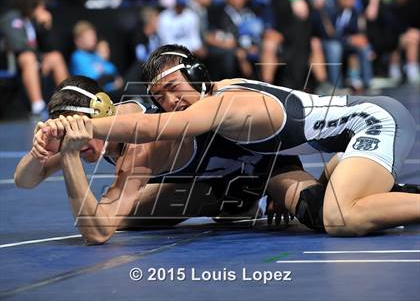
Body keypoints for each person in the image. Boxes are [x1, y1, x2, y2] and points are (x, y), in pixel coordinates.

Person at [48, 44, 419, 237]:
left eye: (174, 89)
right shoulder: (206, 106)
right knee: (320, 208)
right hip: (341, 141)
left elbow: (163, 127)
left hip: (372, 120)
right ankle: (387, 189)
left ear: (196, 76)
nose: (169, 102)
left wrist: (87, 127)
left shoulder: (224, 102)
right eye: (159, 97)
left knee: (339, 217)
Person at [16, 75, 311, 244]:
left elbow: (96, 232)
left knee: (317, 210)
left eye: (80, 132)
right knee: (124, 218)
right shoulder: (93, 132)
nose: (77, 143)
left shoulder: (139, 147)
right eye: (71, 135)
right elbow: (25, 180)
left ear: (102, 116)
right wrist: (39, 150)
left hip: (269, 163)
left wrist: (67, 155)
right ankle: (236, 203)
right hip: (219, 181)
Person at [0, 0, 68, 117]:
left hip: (34, 59)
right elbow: (18, 45)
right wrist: (39, 59)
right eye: (41, 6)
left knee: (55, 57)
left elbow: (48, 47)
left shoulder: (31, 21)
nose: (43, 10)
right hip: (14, 62)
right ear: (33, 5)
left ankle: (66, 101)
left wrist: (45, 27)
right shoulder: (12, 18)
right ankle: (37, 106)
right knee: (28, 57)